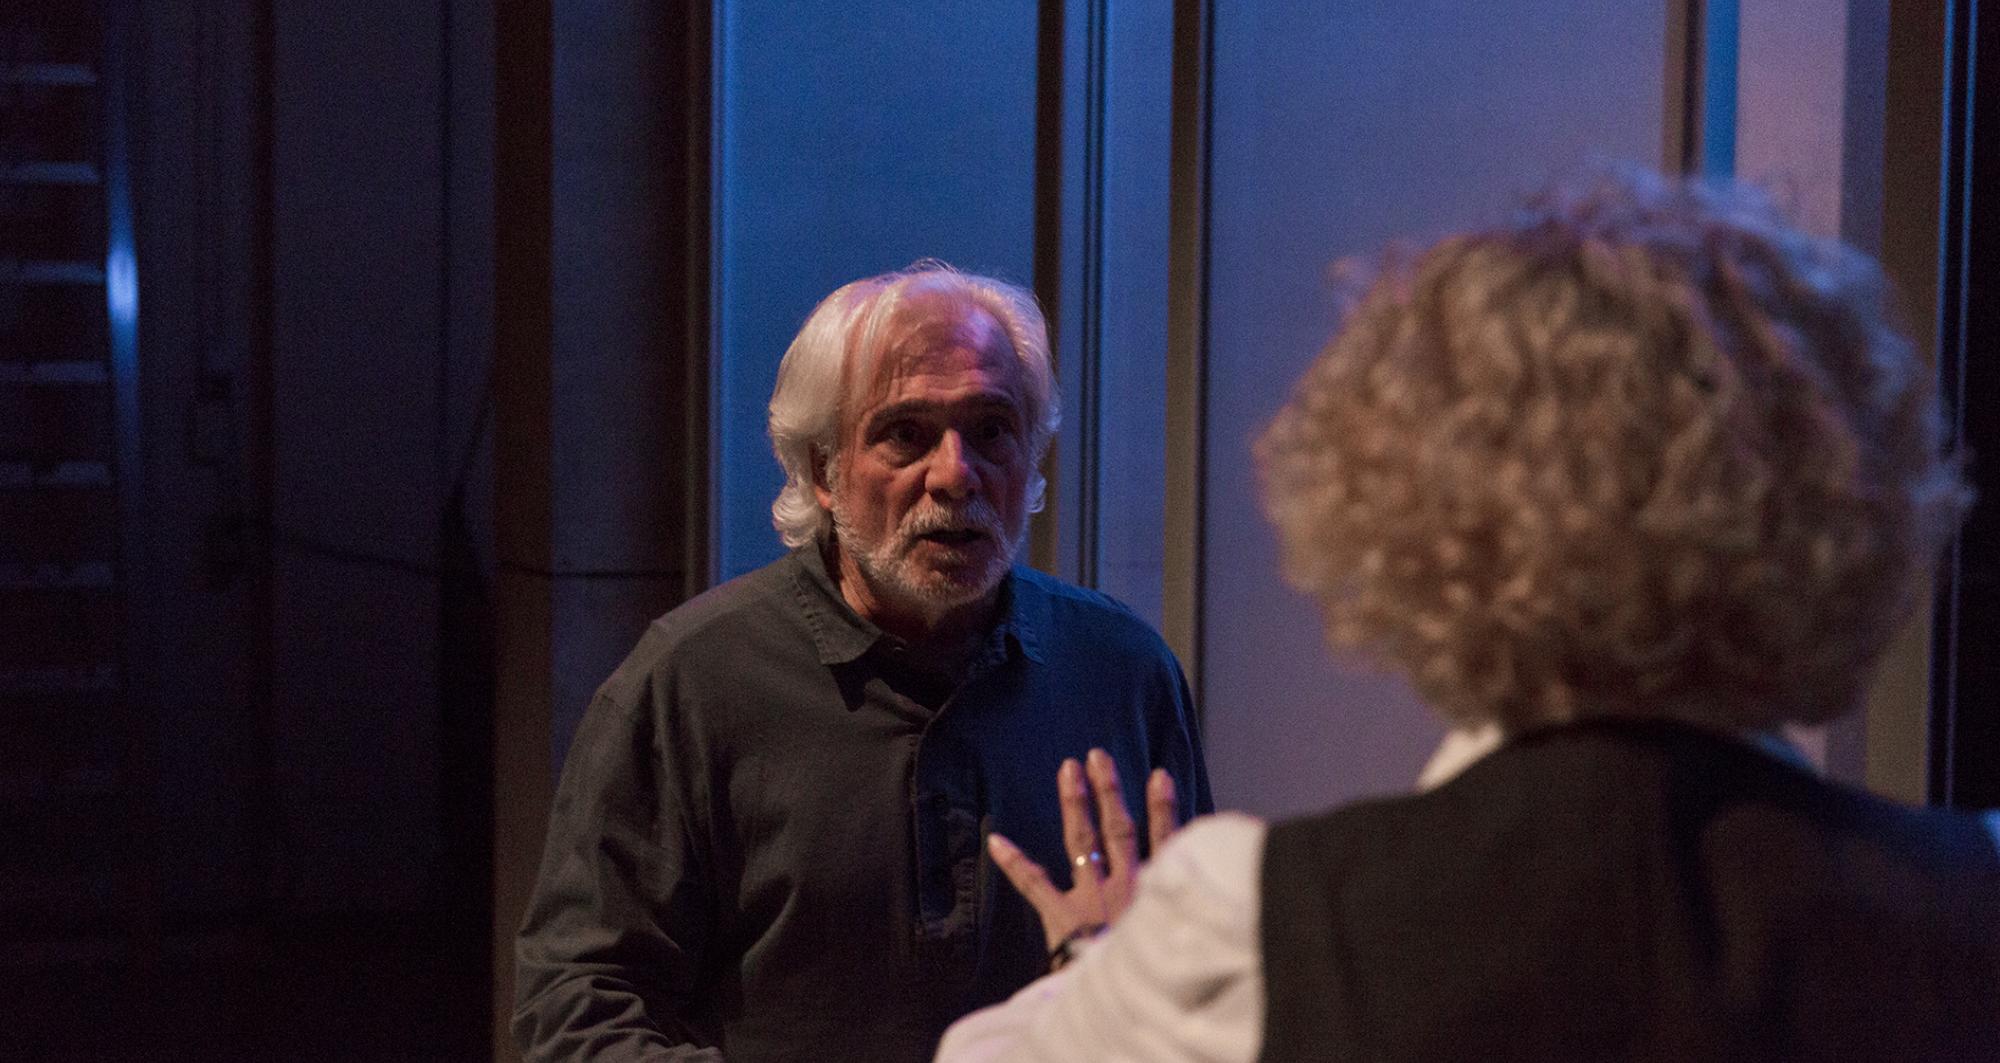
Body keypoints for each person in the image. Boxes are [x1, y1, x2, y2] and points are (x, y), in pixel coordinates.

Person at [939, 168, 2000, 1062]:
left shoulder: (1248, 928)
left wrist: (1099, 962)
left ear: (1406, 516)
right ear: (1842, 503)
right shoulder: (1970, 901)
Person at [512, 263, 1211, 1061]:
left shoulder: (1119, 672)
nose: (955, 474)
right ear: (822, 470)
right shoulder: (694, 680)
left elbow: (1207, 987)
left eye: (992, 429)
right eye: (906, 434)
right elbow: (575, 1007)